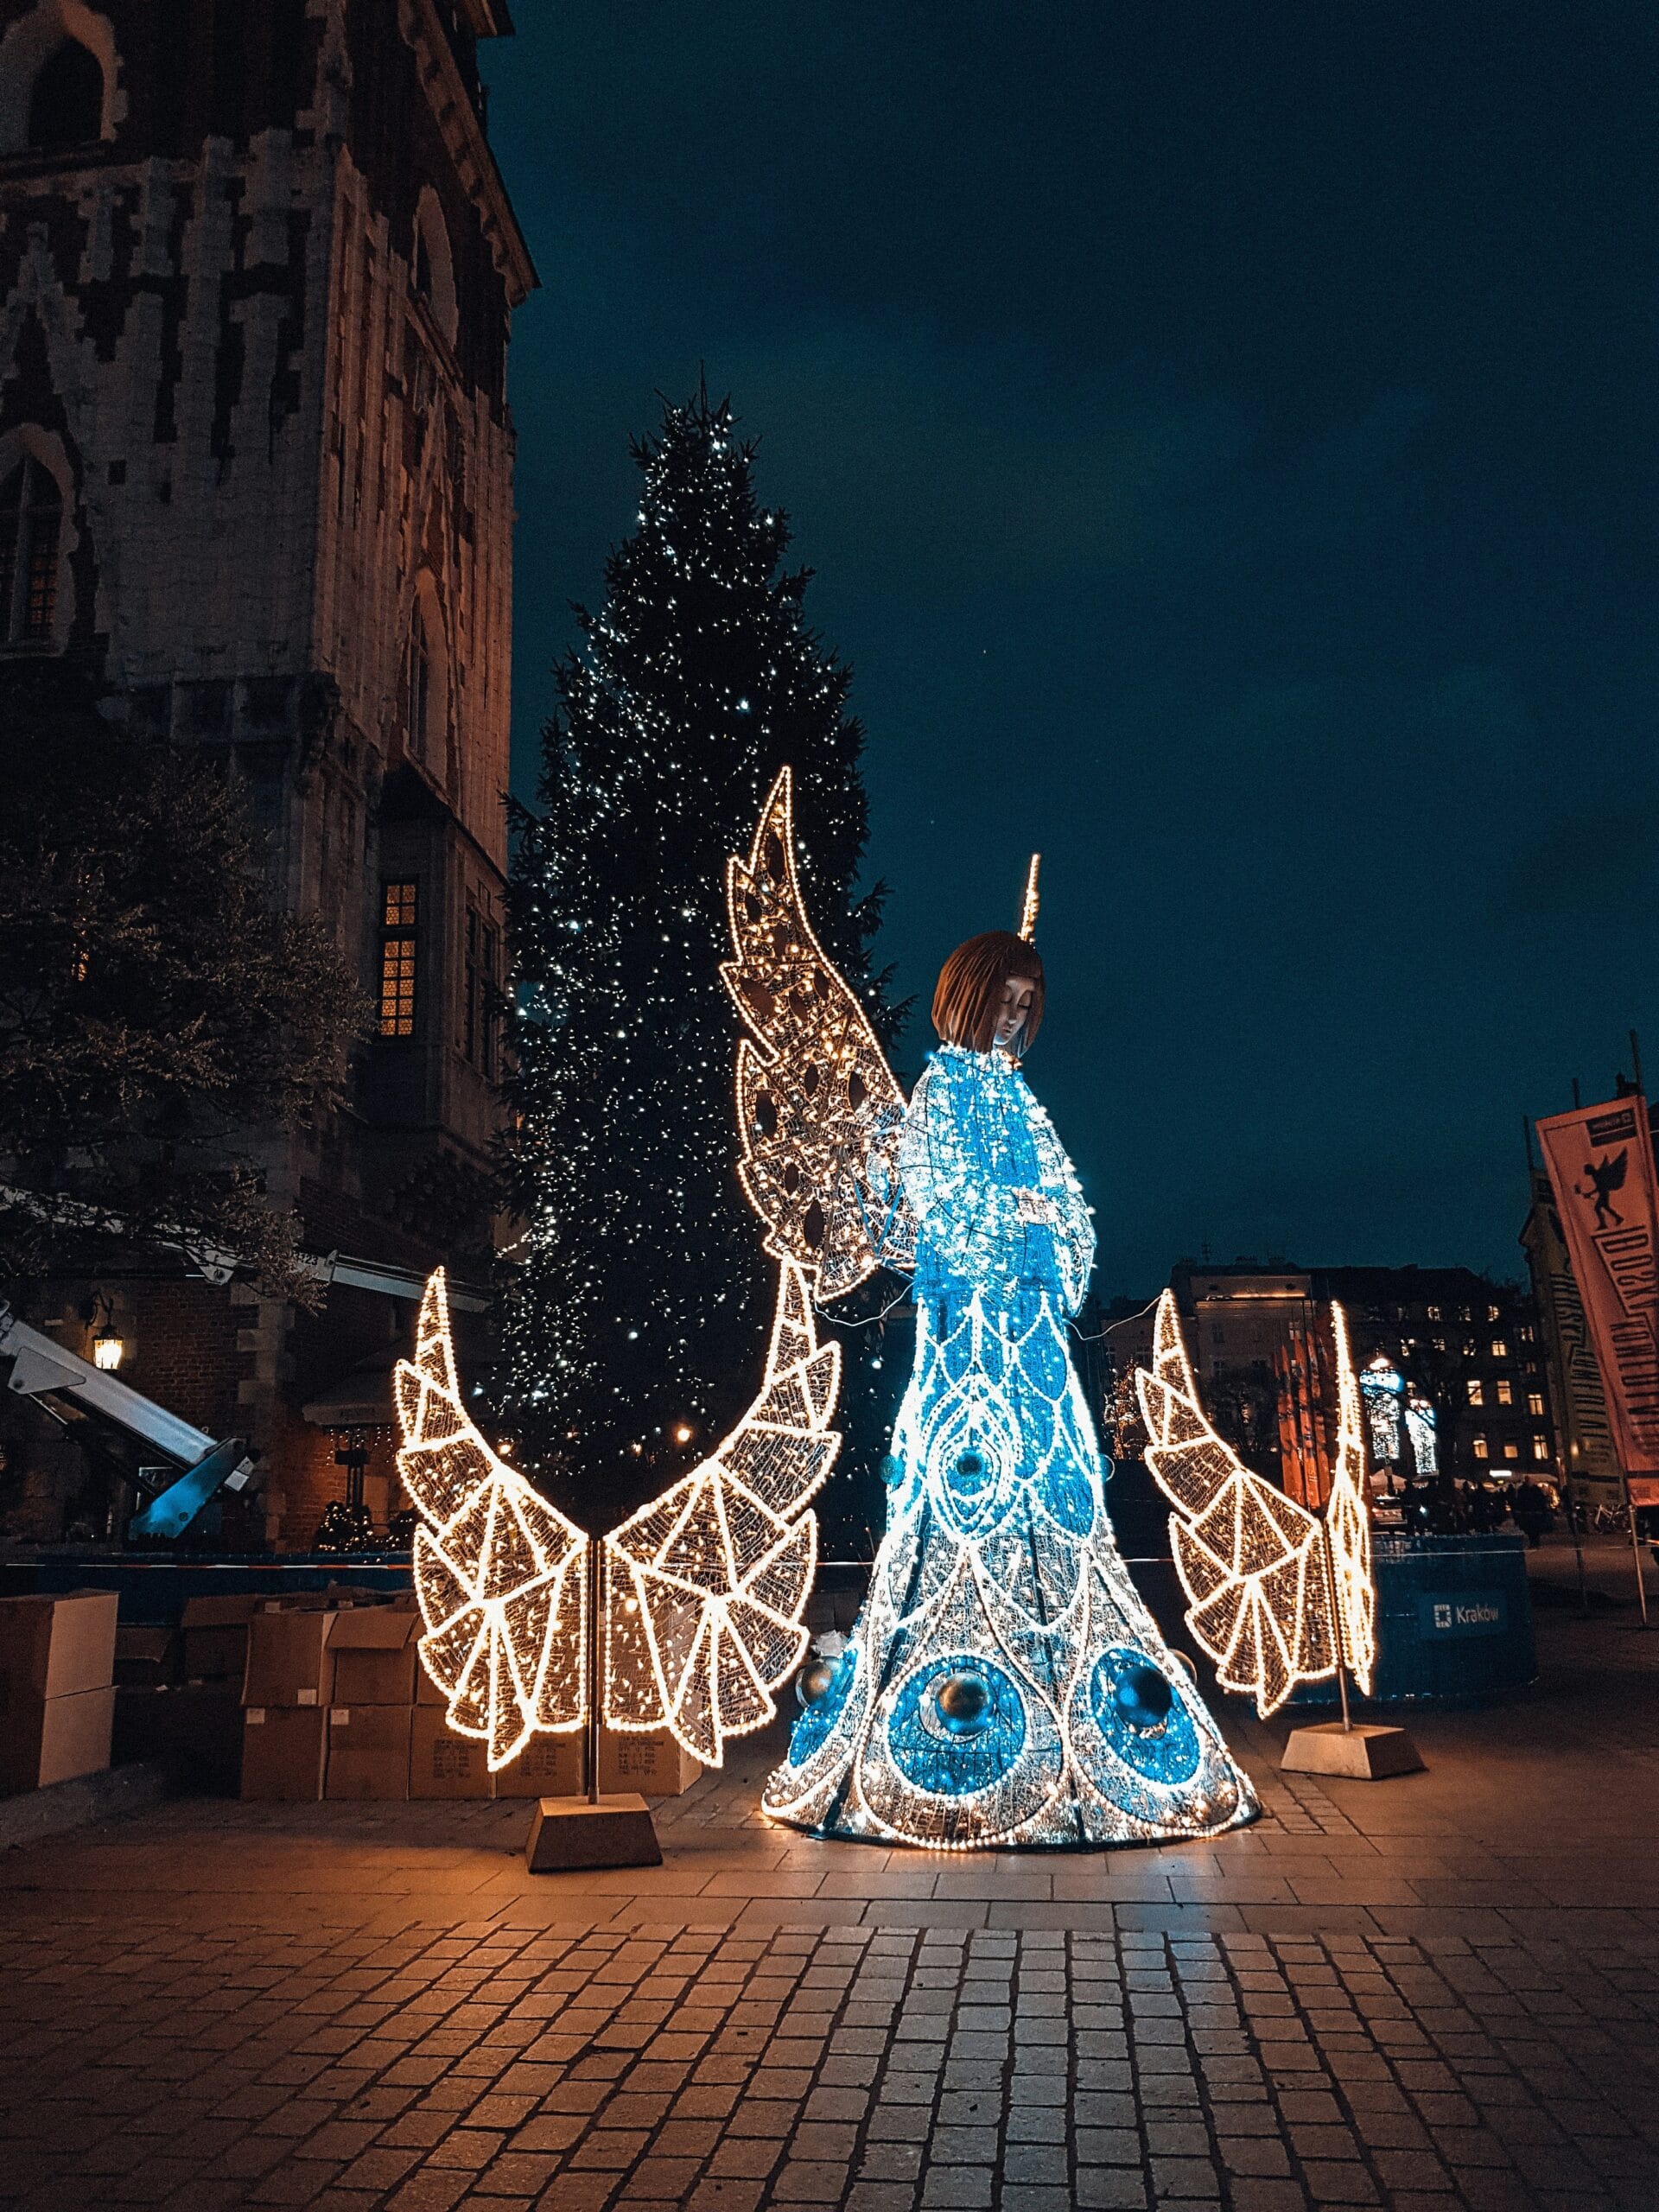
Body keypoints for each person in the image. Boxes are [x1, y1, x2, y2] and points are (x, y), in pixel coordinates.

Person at [765, 929, 1256, 1847]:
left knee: (1061, 1512)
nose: (1016, 1019)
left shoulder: (1024, 1101)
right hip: (970, 1344)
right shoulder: (941, 1090)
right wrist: (1017, 1226)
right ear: (969, 996)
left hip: (1036, 1353)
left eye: (1028, 1008)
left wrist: (1048, 1238)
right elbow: (946, 1201)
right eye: (1005, 1002)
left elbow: (1070, 1209)